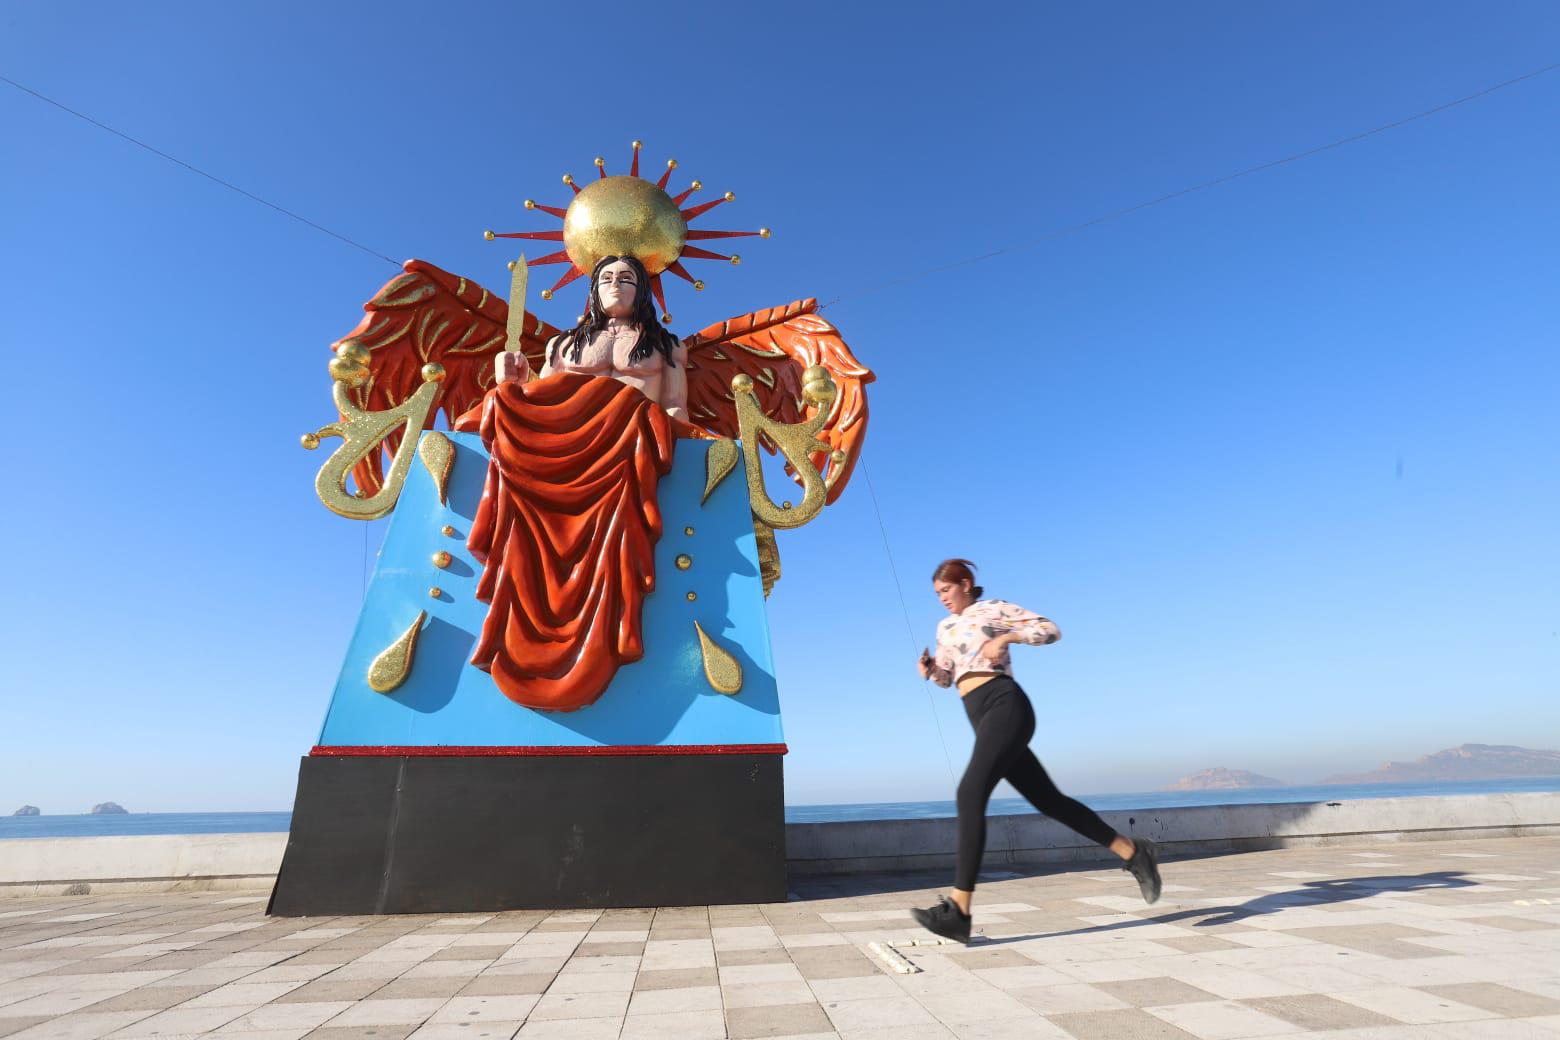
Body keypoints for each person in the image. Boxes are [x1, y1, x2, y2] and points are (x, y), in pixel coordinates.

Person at [911, 558, 1161, 944]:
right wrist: (931, 671)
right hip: (981, 716)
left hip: (1006, 706)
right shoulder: (944, 628)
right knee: (1050, 801)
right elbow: (948, 678)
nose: (941, 599)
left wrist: (1006, 638)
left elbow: (1050, 630)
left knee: (969, 793)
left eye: (945, 590)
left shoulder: (992, 609)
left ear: (964, 583)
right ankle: (1133, 852)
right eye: (937, 594)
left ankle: (959, 910)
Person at [494, 254, 689, 421]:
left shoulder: (667, 347)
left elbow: (674, 405)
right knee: (495, 401)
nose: (615, 284)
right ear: (595, 291)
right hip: (567, 428)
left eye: (626, 278)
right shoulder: (564, 344)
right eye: (606, 278)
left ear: (641, 291)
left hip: (635, 433)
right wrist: (521, 380)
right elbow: (543, 399)